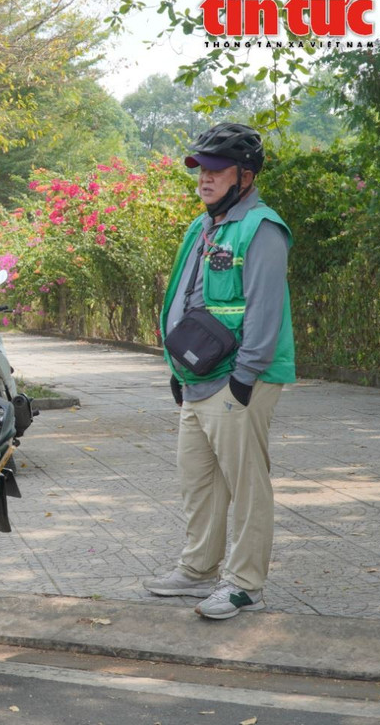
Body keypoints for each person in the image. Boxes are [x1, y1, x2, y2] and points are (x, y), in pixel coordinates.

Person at [144, 122, 295, 620]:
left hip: (239, 378)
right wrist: (177, 367)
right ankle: (198, 570)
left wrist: (244, 378)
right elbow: (186, 297)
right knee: (199, 481)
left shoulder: (262, 229)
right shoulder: (202, 226)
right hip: (197, 376)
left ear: (244, 176)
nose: (204, 178)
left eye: (215, 169)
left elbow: (264, 311)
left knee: (247, 486)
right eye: (200, 169)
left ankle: (245, 584)